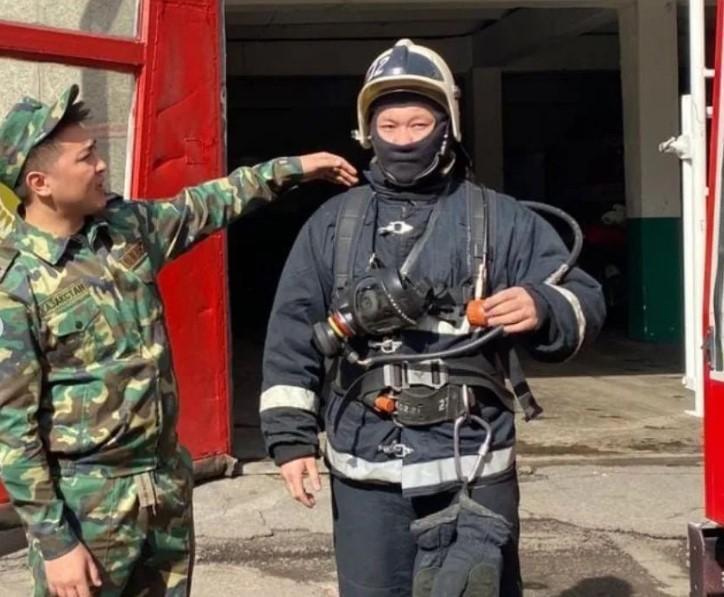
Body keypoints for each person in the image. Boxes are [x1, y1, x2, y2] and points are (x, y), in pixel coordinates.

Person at [259, 39, 606, 596]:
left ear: (447, 126)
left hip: (473, 462)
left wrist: (542, 305)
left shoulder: (500, 218)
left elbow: (584, 299)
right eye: (389, 125)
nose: (403, 139)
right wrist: (291, 441)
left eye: (418, 123)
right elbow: (291, 337)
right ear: (367, 131)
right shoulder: (332, 224)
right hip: (365, 466)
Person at [0, 84, 358, 597]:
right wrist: (56, 544)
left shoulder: (124, 228)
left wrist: (293, 169)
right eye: (85, 158)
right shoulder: (16, 284)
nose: (101, 166)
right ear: (40, 183)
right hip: (88, 505)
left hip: (164, 488)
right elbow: (12, 432)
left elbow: (204, 205)